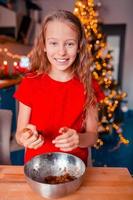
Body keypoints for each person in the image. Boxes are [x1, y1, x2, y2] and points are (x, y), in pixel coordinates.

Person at [14, 10, 104, 166]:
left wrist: (79, 139)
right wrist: (26, 137)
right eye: (54, 43)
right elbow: (19, 135)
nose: (62, 52)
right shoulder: (30, 82)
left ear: (79, 47)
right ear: (44, 46)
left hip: (74, 167)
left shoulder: (89, 84)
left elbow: (93, 135)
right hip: (36, 166)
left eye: (69, 43)